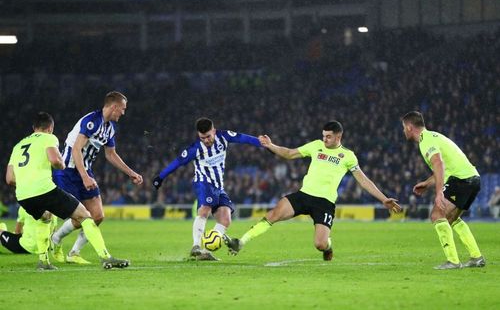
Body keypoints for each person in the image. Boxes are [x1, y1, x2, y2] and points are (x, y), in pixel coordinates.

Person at [224, 121, 401, 261]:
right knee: (273, 214)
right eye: (324, 136)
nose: (325, 140)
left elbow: (363, 180)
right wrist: (271, 145)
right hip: (304, 195)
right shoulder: (316, 145)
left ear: (339, 136)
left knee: (320, 244)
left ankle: (329, 247)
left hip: (324, 203)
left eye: (329, 137)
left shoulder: (348, 156)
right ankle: (240, 242)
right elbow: (289, 153)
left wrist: (383, 199)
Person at [6, 111, 129, 270]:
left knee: (45, 217)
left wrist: (26, 183)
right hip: (44, 189)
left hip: (23, 195)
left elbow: (9, 178)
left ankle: (43, 262)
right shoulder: (49, 138)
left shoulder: (18, 146)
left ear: (33, 127)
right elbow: (56, 160)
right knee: (84, 215)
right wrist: (61, 166)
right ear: (50, 127)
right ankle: (106, 257)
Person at [51, 91, 143, 264]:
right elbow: (77, 149)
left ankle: (73, 252)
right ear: (114, 107)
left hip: (85, 171)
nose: (123, 113)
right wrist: (85, 177)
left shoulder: (110, 128)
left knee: (97, 216)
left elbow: (111, 154)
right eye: (122, 109)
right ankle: (56, 240)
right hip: (69, 171)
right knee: (81, 216)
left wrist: (131, 173)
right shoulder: (92, 121)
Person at [152, 117, 263, 260]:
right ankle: (196, 246)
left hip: (218, 186)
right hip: (203, 182)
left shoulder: (223, 137)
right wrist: (160, 177)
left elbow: (242, 138)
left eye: (208, 136)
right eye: (202, 137)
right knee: (205, 208)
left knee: (225, 219)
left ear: (214, 131)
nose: (206, 140)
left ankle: (205, 251)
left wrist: (261, 142)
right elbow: (178, 162)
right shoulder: (195, 149)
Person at [401, 111, 485, 269]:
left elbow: (439, 164)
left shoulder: (425, 140)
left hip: (461, 180)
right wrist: (427, 183)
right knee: (451, 218)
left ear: (409, 127)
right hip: (473, 179)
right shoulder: (434, 137)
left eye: (403, 128)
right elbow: (443, 167)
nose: (403, 131)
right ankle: (476, 257)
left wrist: (439, 192)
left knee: (437, 215)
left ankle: (453, 261)